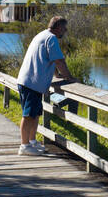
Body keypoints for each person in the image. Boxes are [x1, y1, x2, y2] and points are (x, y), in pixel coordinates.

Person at [15, 15, 75, 155]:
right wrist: (69, 77)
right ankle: (24, 146)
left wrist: (56, 75)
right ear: (59, 27)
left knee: (35, 114)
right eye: (64, 29)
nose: (65, 32)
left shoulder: (43, 35)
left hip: (32, 82)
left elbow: (49, 59)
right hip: (31, 83)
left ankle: (31, 142)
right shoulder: (51, 38)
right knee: (28, 115)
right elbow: (59, 61)